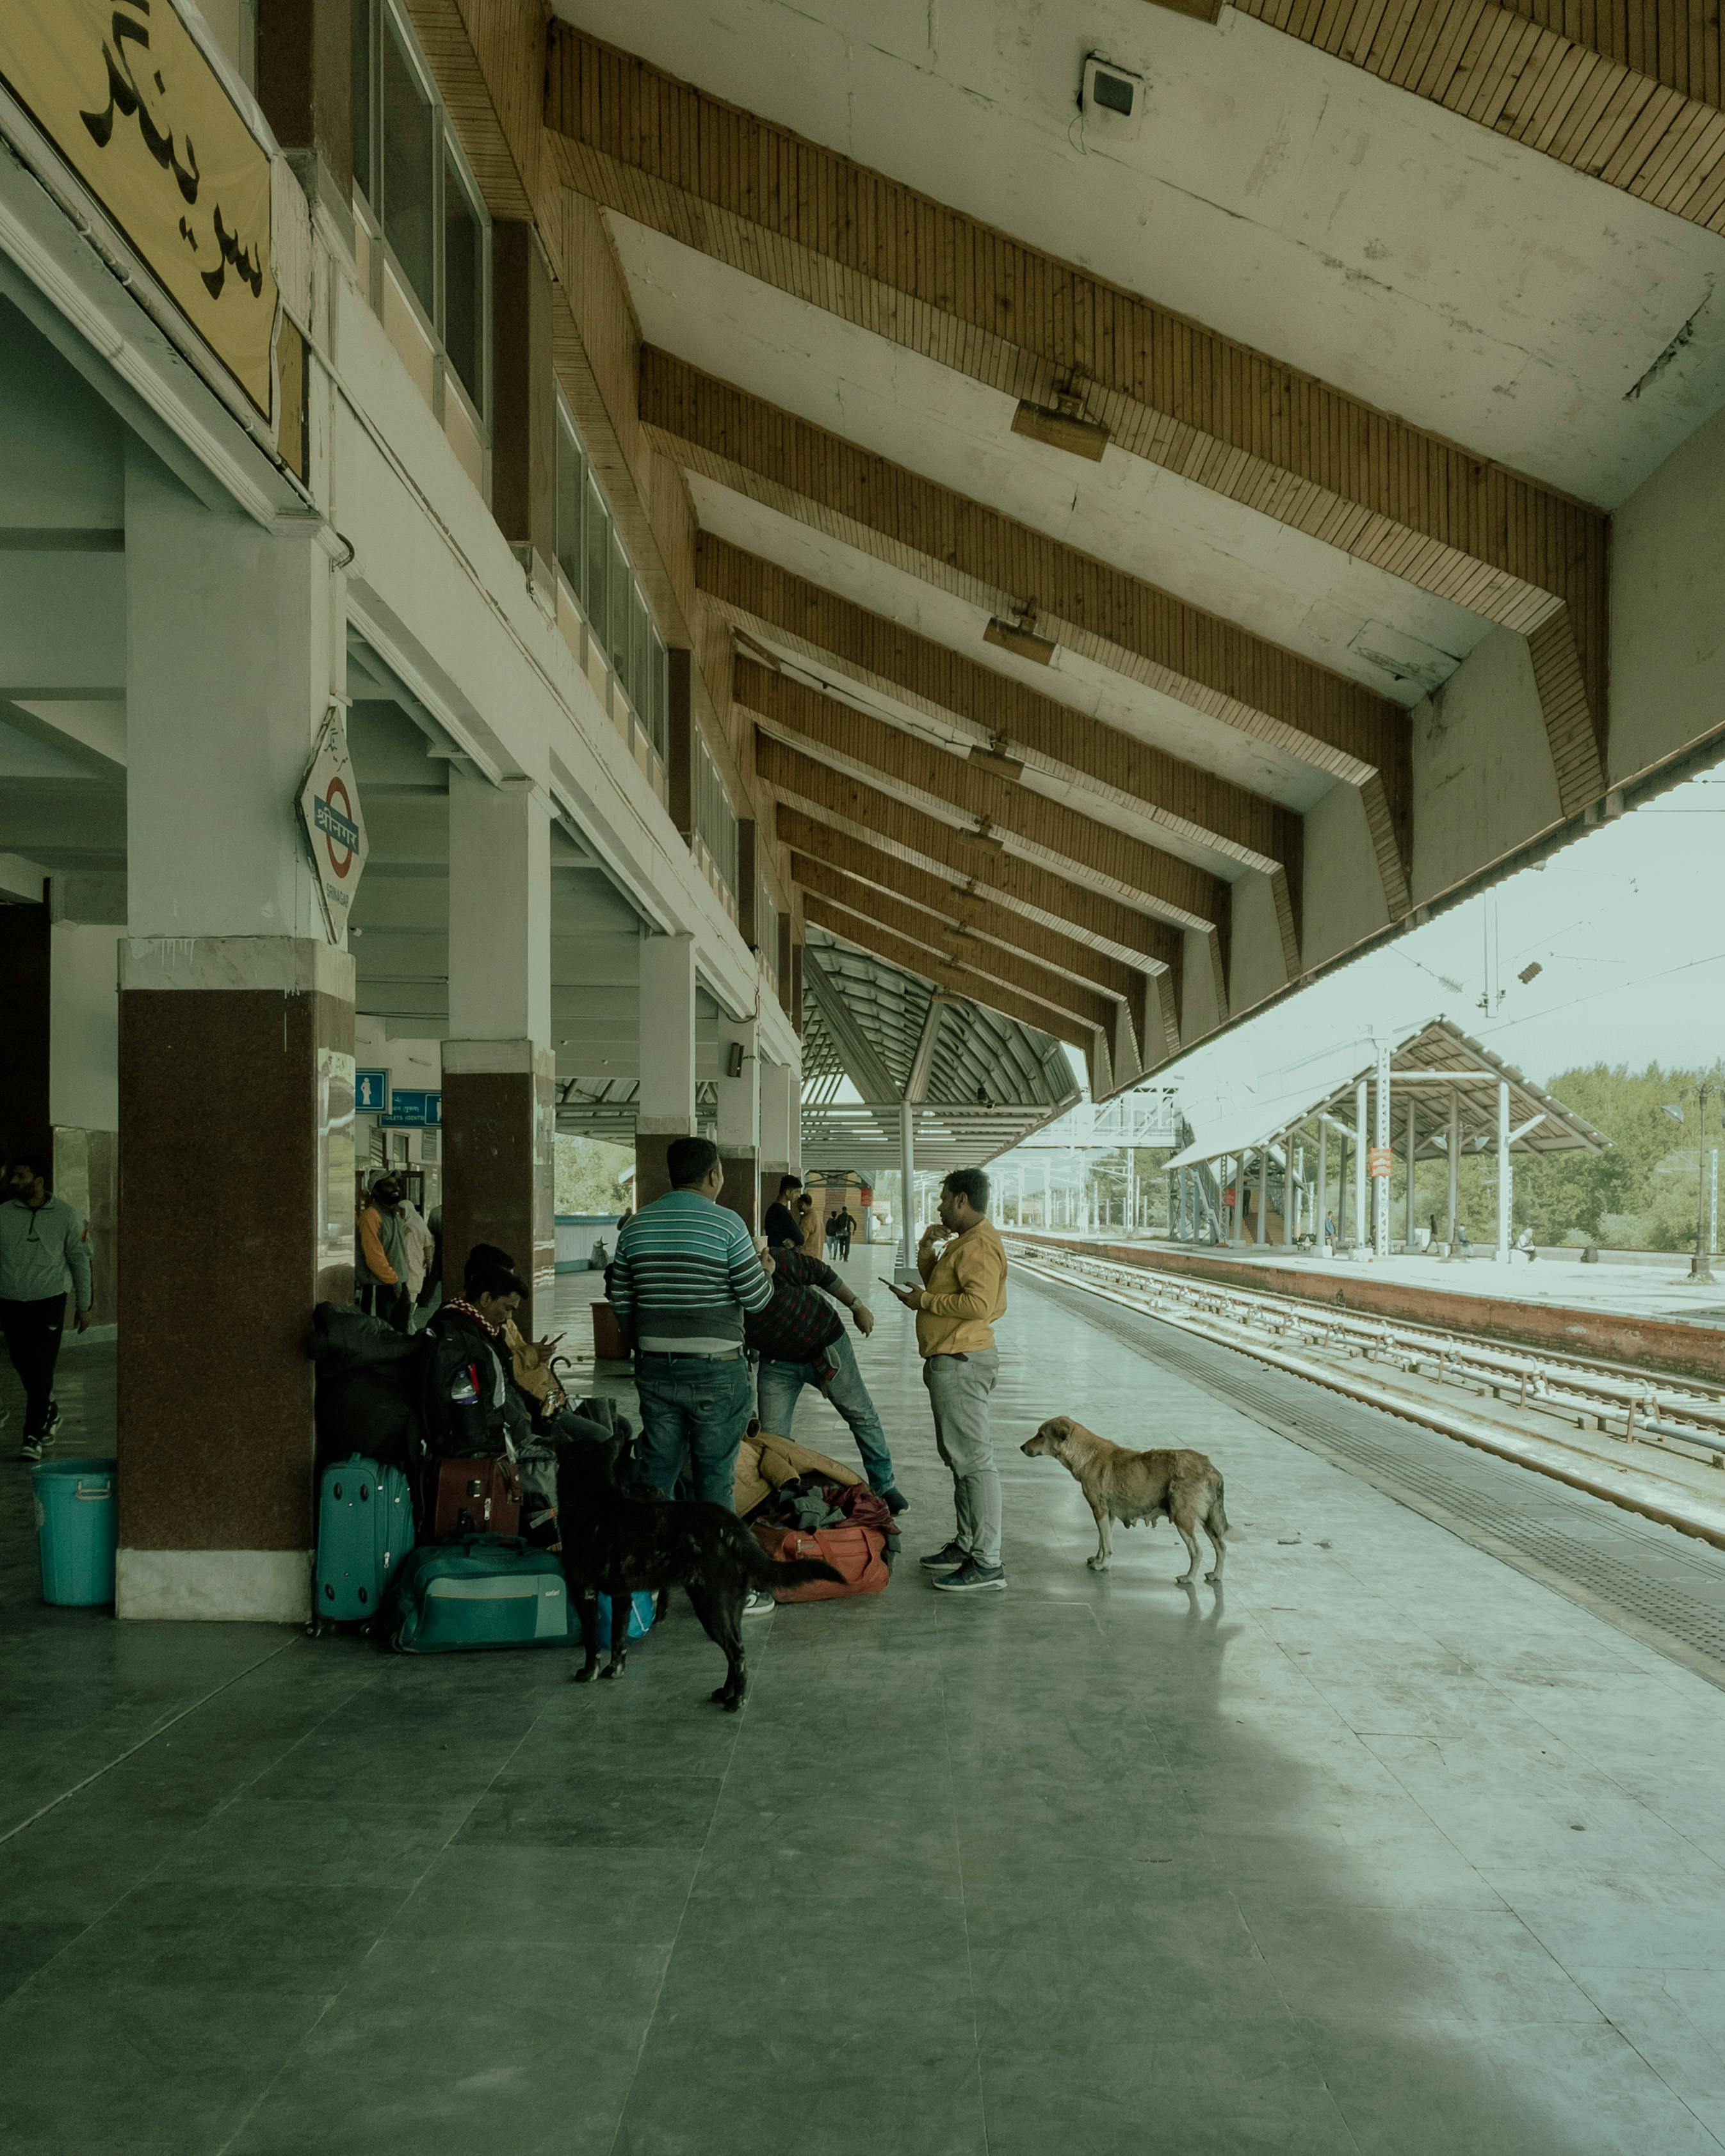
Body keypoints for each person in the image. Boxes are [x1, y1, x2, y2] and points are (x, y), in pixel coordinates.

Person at [609, 1137, 775, 1609]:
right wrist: (766, 1271)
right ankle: (724, 1585)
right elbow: (757, 1299)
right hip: (717, 1372)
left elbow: (621, 1301)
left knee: (657, 1474)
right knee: (714, 1479)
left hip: (656, 1370)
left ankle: (648, 1581)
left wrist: (648, 1340)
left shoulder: (637, 1226)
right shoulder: (728, 1225)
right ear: (715, 1175)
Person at [885, 1167, 1009, 1594]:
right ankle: (968, 1543)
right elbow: (942, 1286)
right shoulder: (964, 1244)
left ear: (960, 1199)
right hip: (952, 1359)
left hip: (962, 1361)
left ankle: (988, 1561)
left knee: (974, 1460)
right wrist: (925, 1250)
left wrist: (925, 1301)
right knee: (961, 1458)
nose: (938, 1206)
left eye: (943, 1199)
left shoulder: (978, 1246)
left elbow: (979, 1303)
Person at [749, 1235, 906, 1511]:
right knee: (773, 1438)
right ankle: (782, 1493)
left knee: (859, 1413)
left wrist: (857, 1307)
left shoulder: (777, 1261)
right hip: (777, 1363)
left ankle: (885, 1484)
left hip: (825, 1343)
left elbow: (822, 1273)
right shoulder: (720, 1288)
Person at [1, 1151, 93, 1463]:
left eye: (20, 1176)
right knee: (22, 1364)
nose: (12, 1181)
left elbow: (81, 1261)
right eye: (12, 1175)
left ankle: (33, 1434)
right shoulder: (3, 1214)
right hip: (11, 1301)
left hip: (49, 1301)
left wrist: (84, 1305)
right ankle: (50, 1410)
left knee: (41, 1368)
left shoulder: (67, 1216)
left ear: (39, 1182)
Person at [356, 1178, 410, 1329]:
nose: (395, 1188)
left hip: (398, 1284)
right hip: (380, 1288)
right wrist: (394, 1281)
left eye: (396, 1184)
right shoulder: (370, 1217)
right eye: (388, 1185)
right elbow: (374, 1258)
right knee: (378, 1336)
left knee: (400, 1336)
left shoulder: (394, 1215)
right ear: (376, 1191)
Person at [762, 1175, 802, 1252]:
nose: (799, 1195)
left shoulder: (772, 1209)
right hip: (782, 1257)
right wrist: (794, 1242)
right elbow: (800, 1239)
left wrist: (793, 1242)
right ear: (787, 1192)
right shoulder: (781, 1211)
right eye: (797, 1191)